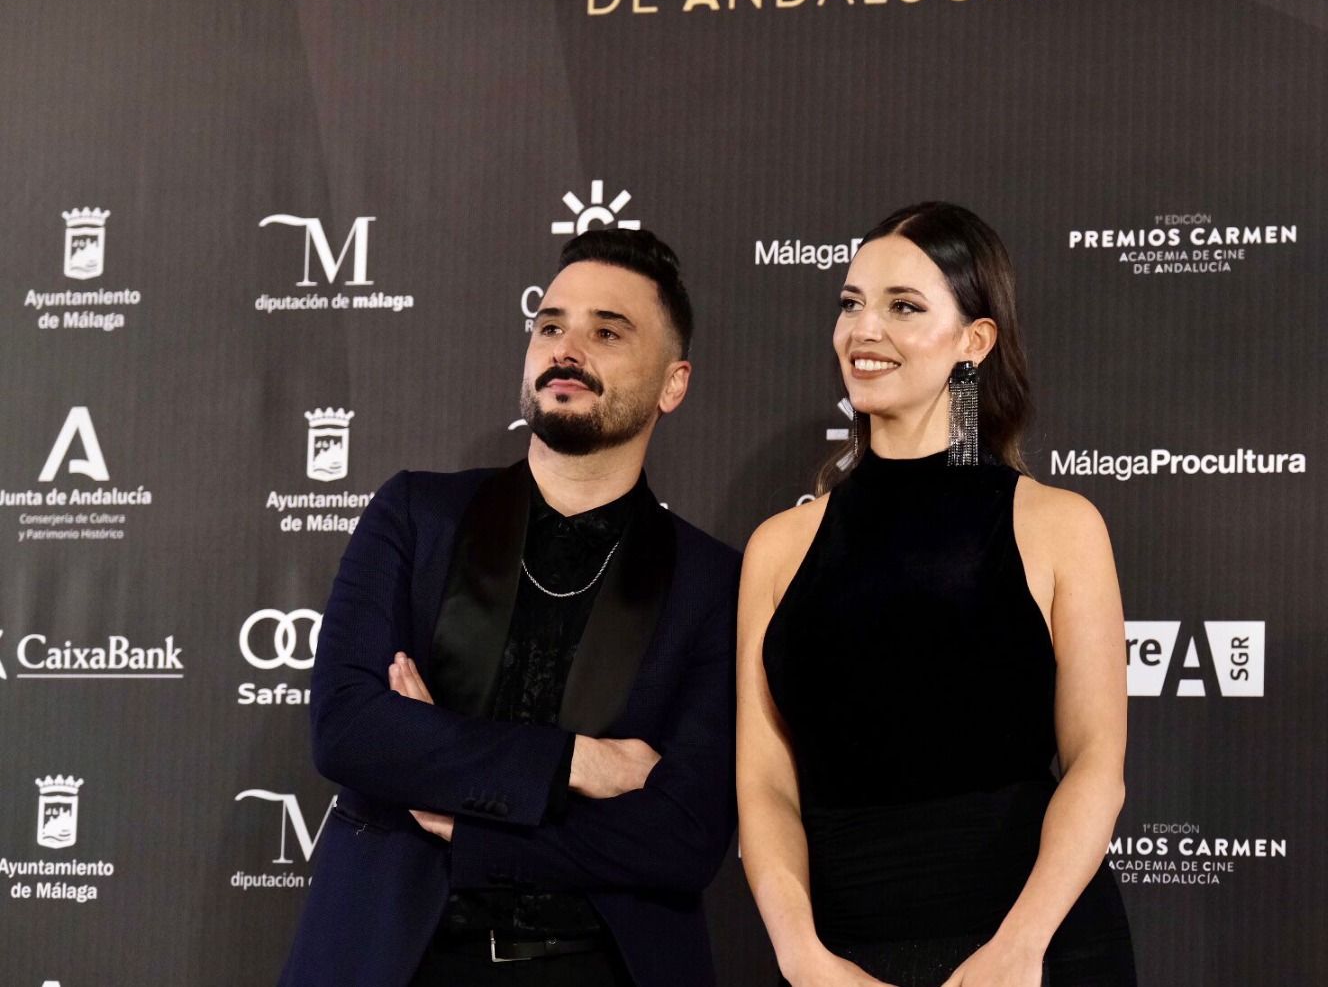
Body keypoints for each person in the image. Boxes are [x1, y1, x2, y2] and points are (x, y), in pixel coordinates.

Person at [277, 228, 741, 987]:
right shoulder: (415, 516)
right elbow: (350, 730)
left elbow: (683, 837)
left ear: (673, 383)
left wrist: (466, 812)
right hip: (395, 960)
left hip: (603, 969)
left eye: (608, 331)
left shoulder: (712, 581)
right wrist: (582, 763)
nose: (567, 348)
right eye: (551, 325)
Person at [737, 201, 1136, 986]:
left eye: (904, 307)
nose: (863, 330)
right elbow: (764, 783)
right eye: (851, 304)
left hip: (1036, 951)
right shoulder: (779, 548)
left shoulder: (1058, 526)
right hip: (838, 960)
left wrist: (1019, 950)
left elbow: (1098, 763)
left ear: (974, 342)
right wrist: (804, 959)